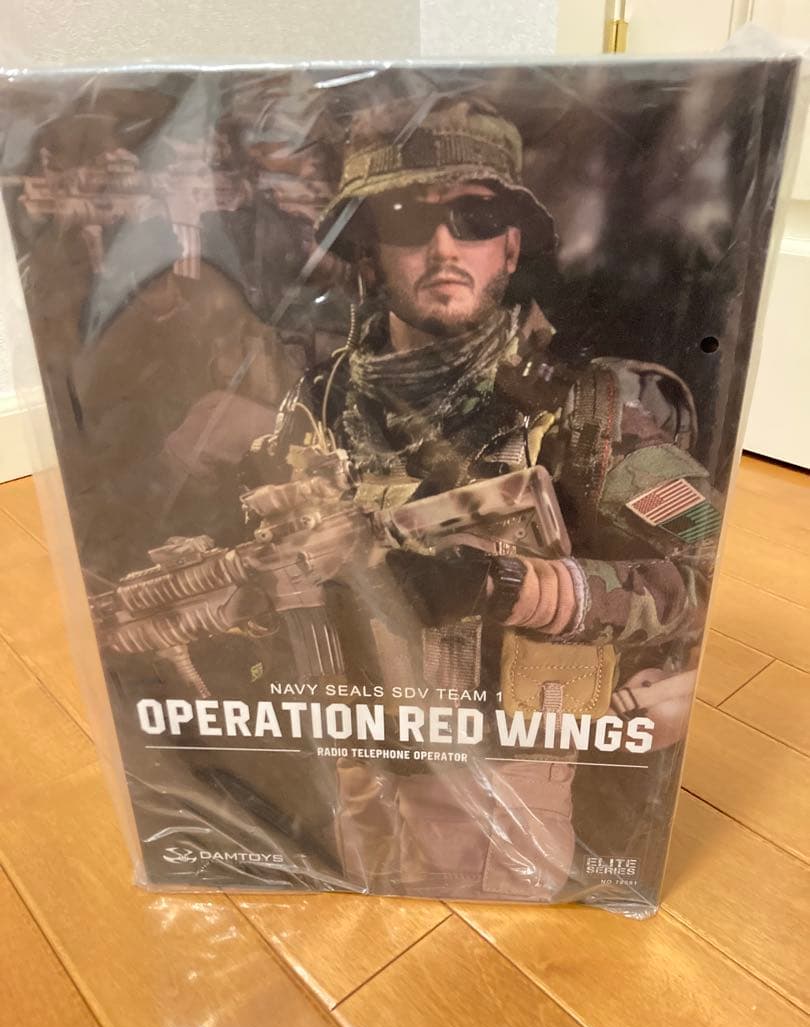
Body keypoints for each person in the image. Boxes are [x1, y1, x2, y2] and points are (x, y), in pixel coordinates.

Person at [242, 95, 720, 900]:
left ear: (511, 244)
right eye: (405, 220)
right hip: (343, 764)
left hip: (498, 781)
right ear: (367, 249)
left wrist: (518, 588)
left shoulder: (590, 412)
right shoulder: (315, 405)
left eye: (475, 218)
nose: (442, 246)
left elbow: (708, 575)